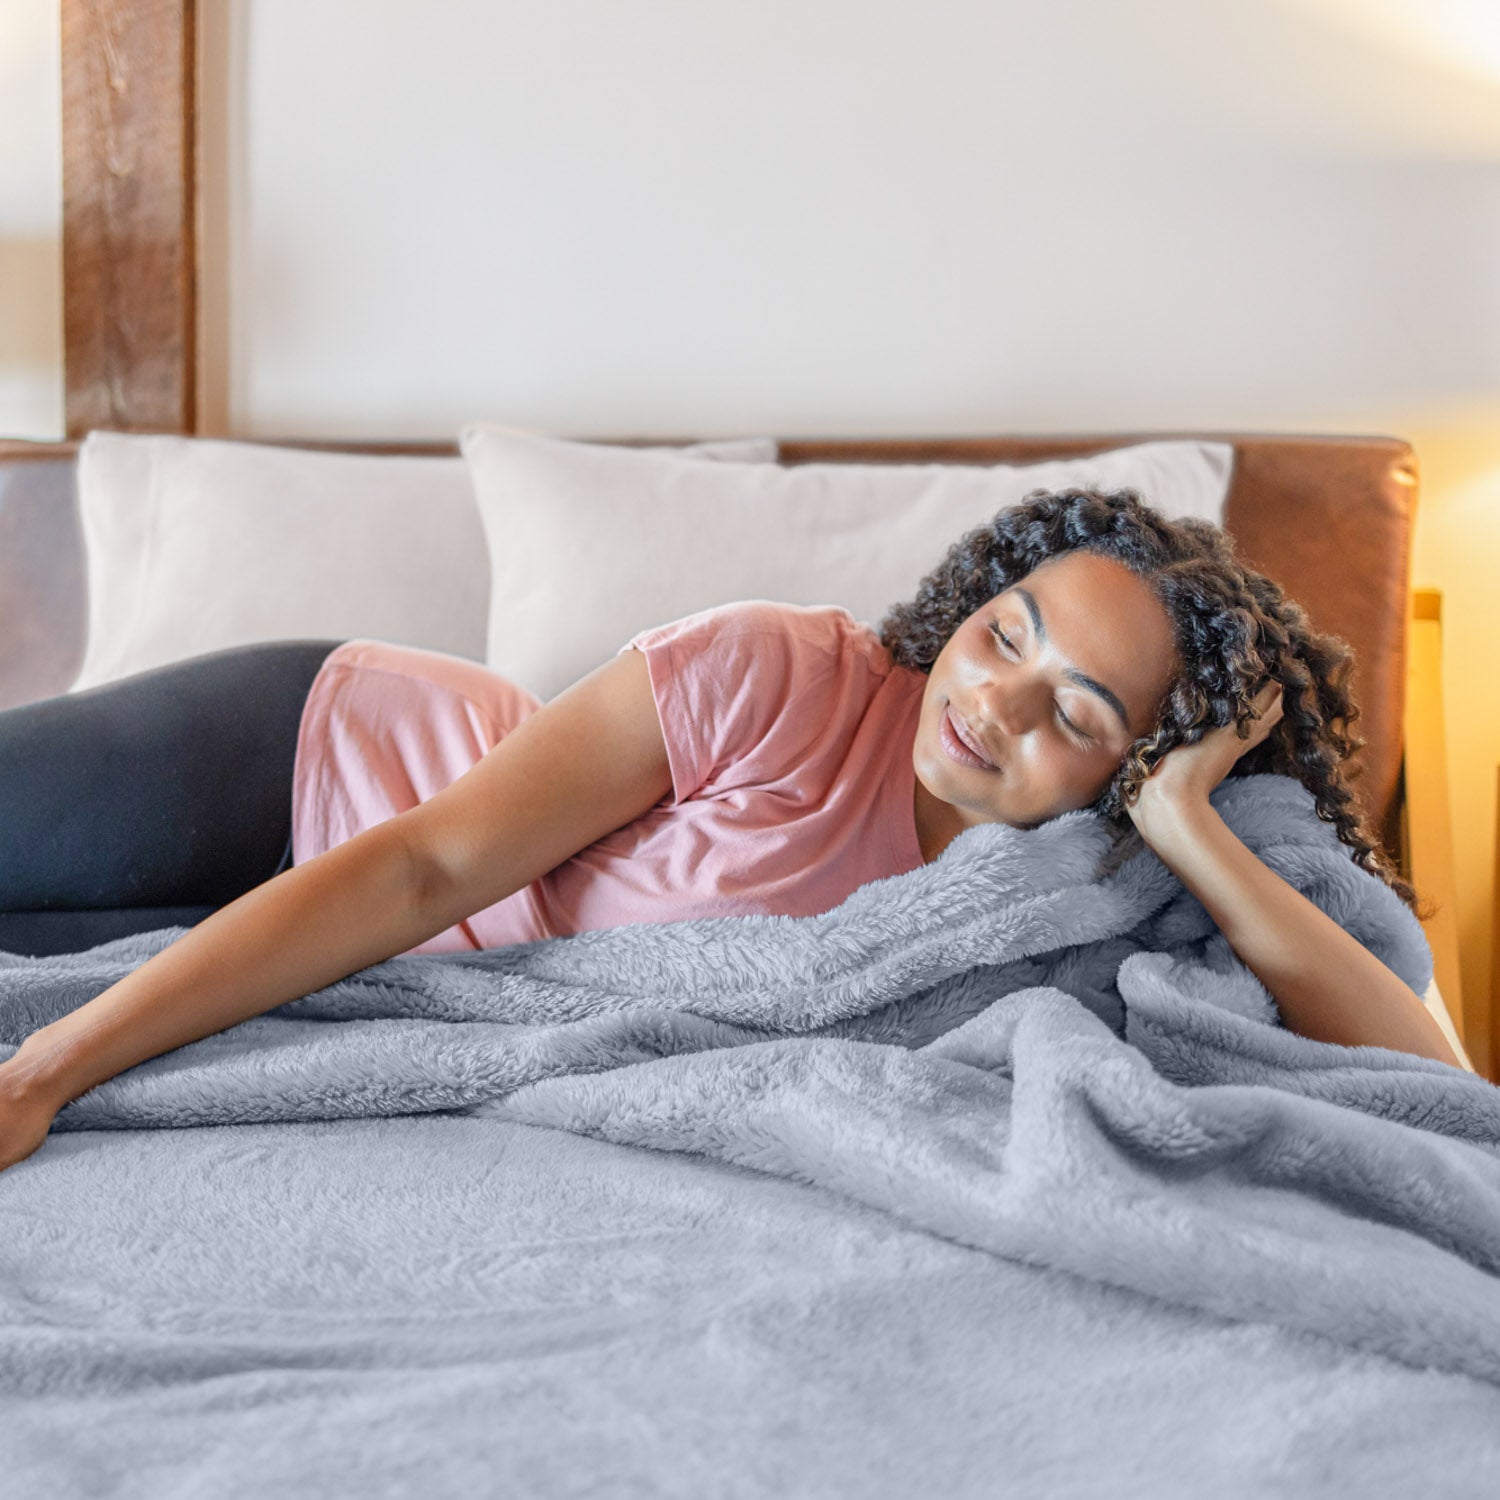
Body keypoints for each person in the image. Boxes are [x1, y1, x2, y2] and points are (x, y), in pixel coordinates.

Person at [0, 487, 1462, 1174]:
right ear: (975, 599)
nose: (995, 705)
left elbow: (1430, 1078)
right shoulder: (783, 674)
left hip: (354, 969)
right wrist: (48, 1073)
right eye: (1004, 633)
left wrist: (1193, 828)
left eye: (1077, 714)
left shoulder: (1079, 889)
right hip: (302, 779)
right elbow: (425, 865)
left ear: (1136, 763)